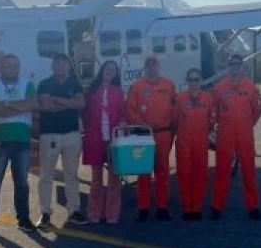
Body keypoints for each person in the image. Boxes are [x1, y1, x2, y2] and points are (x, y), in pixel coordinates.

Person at [0, 53, 38, 235]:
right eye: (8, 66)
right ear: (1, 67)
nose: (11, 69)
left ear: (19, 68)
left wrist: (5, 105)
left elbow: (31, 104)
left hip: (21, 140)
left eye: (15, 66)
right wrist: (18, 107)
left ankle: (23, 219)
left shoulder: (27, 84)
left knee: (22, 182)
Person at [36, 53, 89, 229]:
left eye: (63, 64)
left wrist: (57, 99)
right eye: (57, 64)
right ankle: (44, 213)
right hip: (49, 134)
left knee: (71, 175)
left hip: (72, 134)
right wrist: (69, 102)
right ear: (52, 67)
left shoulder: (75, 83)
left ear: (68, 66)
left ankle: (73, 211)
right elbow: (46, 107)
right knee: (46, 176)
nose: (60, 67)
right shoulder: (44, 84)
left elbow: (81, 104)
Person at [210, 54, 261, 221]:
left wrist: (247, 124)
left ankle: (253, 206)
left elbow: (257, 110)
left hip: (245, 133)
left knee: (248, 169)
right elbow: (213, 112)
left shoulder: (251, 87)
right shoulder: (219, 88)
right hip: (225, 133)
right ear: (228, 67)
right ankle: (217, 206)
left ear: (242, 67)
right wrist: (222, 124)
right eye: (231, 64)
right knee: (222, 170)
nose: (234, 67)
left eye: (237, 64)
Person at [125, 53, 177, 222]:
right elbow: (130, 110)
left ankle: (162, 208)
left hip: (163, 134)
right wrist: (141, 124)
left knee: (162, 172)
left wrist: (173, 131)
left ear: (158, 66)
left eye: (154, 64)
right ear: (145, 67)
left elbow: (175, 108)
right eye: (149, 64)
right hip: (143, 136)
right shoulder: (136, 86)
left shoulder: (169, 85)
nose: (151, 66)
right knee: (144, 172)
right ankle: (143, 209)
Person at [81, 60, 126, 224]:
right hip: (95, 139)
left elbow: (122, 113)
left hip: (113, 139)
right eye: (108, 68)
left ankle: (112, 213)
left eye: (113, 70)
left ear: (116, 73)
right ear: (102, 70)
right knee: (96, 179)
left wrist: (122, 123)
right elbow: (84, 113)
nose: (110, 71)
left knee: (114, 178)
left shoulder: (119, 92)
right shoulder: (91, 91)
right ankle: (94, 213)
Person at [175, 67, 215, 221]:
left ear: (201, 81)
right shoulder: (180, 98)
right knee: (184, 175)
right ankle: (186, 207)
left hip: (200, 142)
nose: (194, 83)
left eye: (196, 80)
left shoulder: (208, 98)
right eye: (191, 80)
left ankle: (196, 207)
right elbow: (174, 119)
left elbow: (213, 118)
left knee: (200, 175)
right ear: (187, 81)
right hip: (184, 143)